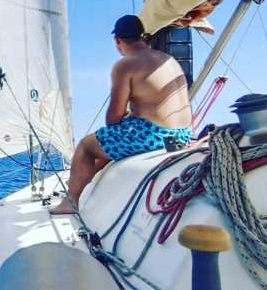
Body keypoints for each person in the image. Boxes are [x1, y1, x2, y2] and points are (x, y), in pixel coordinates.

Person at [49, 15, 192, 216]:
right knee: (113, 142)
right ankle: (85, 184)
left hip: (156, 137)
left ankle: (70, 202)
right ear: (142, 36)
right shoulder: (168, 60)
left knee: (87, 146)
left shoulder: (126, 65)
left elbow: (113, 118)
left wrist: (126, 116)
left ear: (118, 40)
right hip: (181, 137)